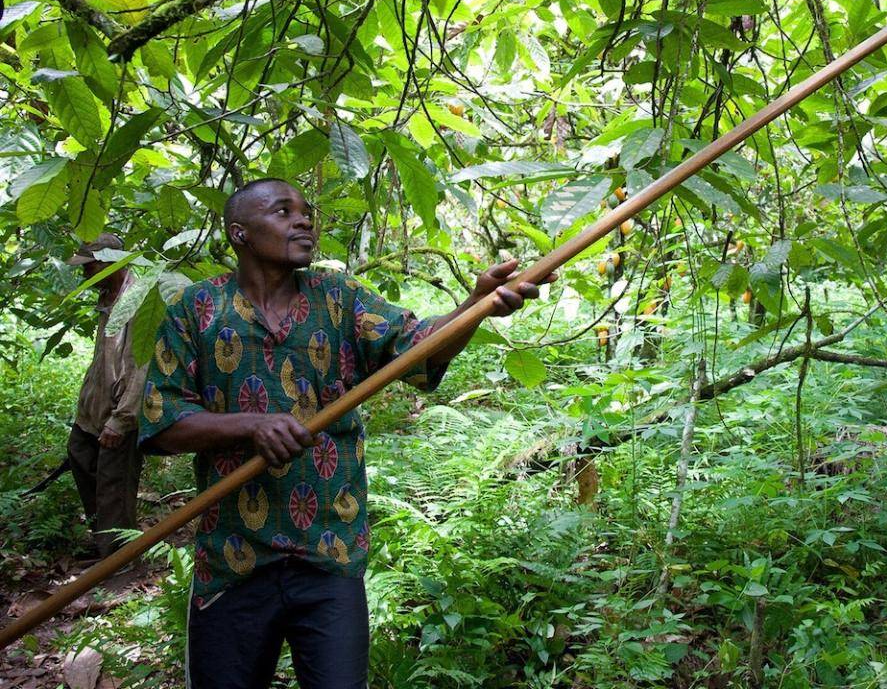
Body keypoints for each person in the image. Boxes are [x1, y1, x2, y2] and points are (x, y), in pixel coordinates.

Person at [138, 177, 555, 689]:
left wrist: (475, 305)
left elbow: (419, 346)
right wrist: (252, 426)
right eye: (283, 211)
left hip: (328, 551)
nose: (304, 219)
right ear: (240, 233)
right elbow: (162, 421)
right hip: (233, 559)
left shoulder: (339, 298)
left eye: (306, 210)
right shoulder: (196, 309)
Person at [65, 233, 146, 558]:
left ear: (110, 262)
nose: (85, 273)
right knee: (81, 457)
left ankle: (118, 558)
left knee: (114, 484)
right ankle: (104, 541)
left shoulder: (138, 298)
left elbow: (141, 366)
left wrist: (122, 418)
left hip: (119, 413)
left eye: (90, 266)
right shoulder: (111, 296)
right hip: (93, 412)